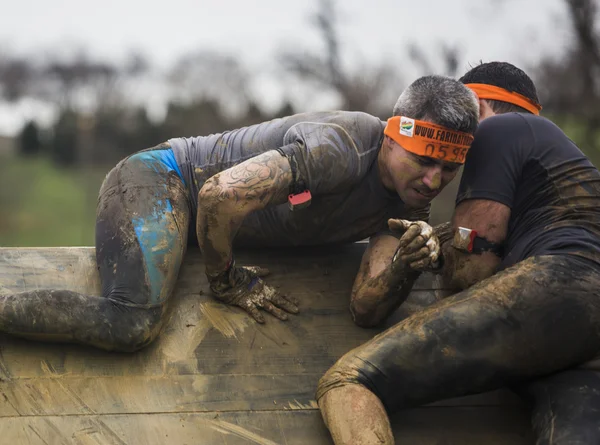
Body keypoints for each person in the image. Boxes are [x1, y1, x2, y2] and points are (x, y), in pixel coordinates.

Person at [0, 75, 479, 352]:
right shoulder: (340, 148)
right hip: (161, 178)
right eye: (423, 161)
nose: (434, 181)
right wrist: (228, 280)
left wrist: (405, 265)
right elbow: (217, 196)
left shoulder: (411, 198)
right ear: (394, 136)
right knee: (133, 323)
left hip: (198, 216)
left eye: (449, 168)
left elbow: (364, 307)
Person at [317, 61, 600, 445]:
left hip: (566, 283)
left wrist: (432, 252)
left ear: (477, 106)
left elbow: (469, 271)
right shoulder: (552, 149)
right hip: (581, 331)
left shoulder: (496, 130)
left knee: (348, 379)